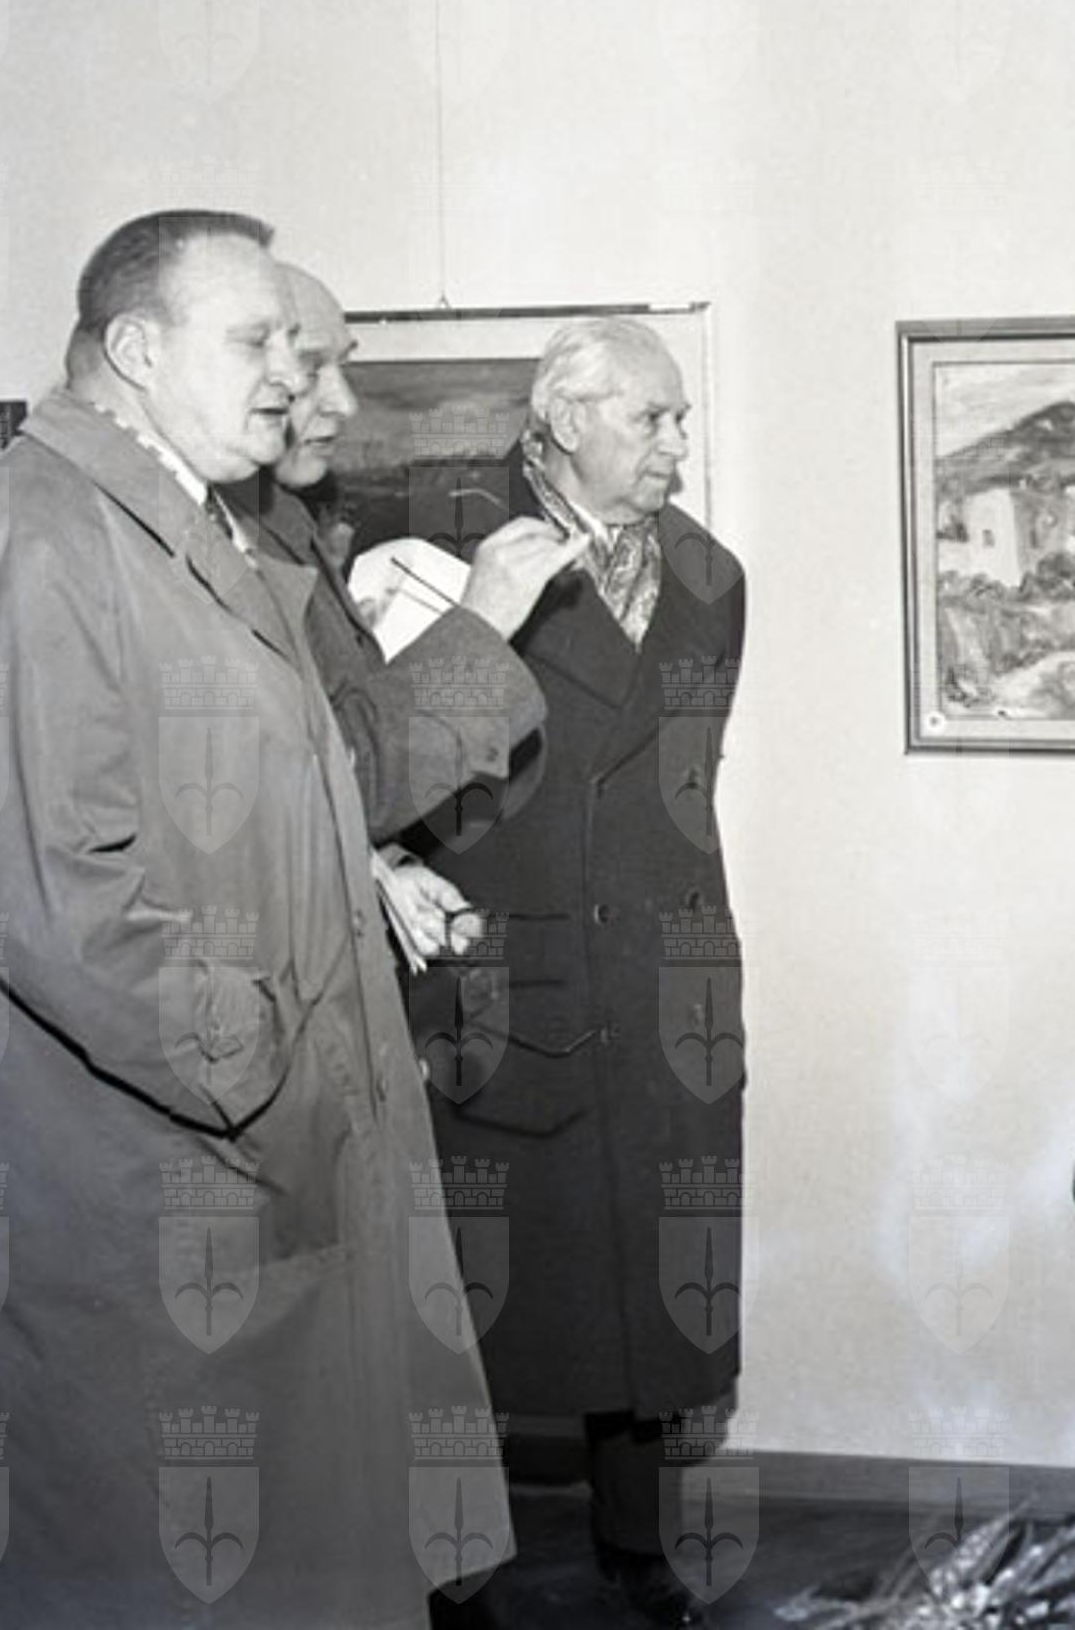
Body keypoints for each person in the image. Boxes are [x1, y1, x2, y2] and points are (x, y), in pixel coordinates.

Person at [0, 211, 507, 1627]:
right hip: (161, 1166)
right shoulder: (32, 538)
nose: (290, 372)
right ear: (134, 349)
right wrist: (259, 1060)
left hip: (241, 1158)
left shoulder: (186, 526)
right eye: (255, 340)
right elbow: (33, 876)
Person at [422, 319, 747, 1629]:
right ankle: (451, 1565)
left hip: (662, 976)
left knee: (650, 1284)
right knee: (481, 1295)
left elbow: (678, 789)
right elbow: (403, 768)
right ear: (563, 421)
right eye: (650, 417)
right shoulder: (451, 554)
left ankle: (636, 1543)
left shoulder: (711, 577)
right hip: (512, 973)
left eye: (679, 419)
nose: (677, 443)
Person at [230, 264, 582, 955]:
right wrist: (481, 621)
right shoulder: (215, 542)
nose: (344, 402)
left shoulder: (282, 521)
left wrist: (383, 867)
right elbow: (325, 788)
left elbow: (313, 771)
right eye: (310, 368)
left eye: (344, 366)